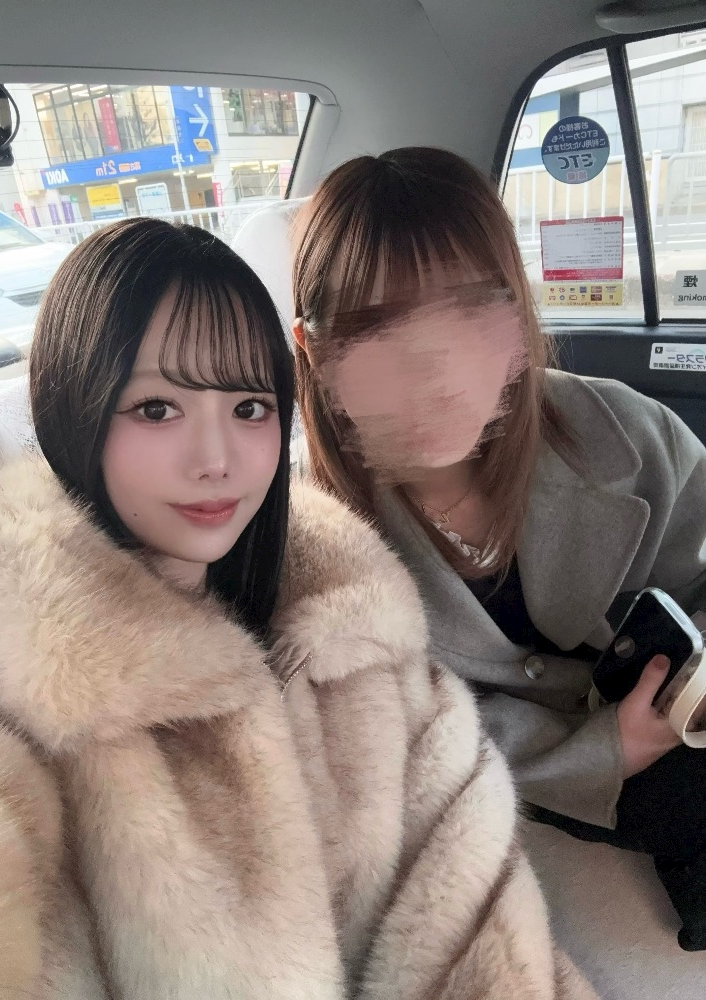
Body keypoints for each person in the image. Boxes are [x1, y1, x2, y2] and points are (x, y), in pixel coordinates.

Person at [0, 218, 594, 999]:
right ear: (71, 406)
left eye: (250, 408)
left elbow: (476, 908)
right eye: (156, 409)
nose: (216, 459)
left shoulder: (354, 627)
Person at [291, 146, 706, 950]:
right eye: (376, 330)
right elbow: (388, 738)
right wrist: (598, 752)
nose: (435, 368)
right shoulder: (312, 546)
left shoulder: (627, 433)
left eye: (468, 312)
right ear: (314, 348)